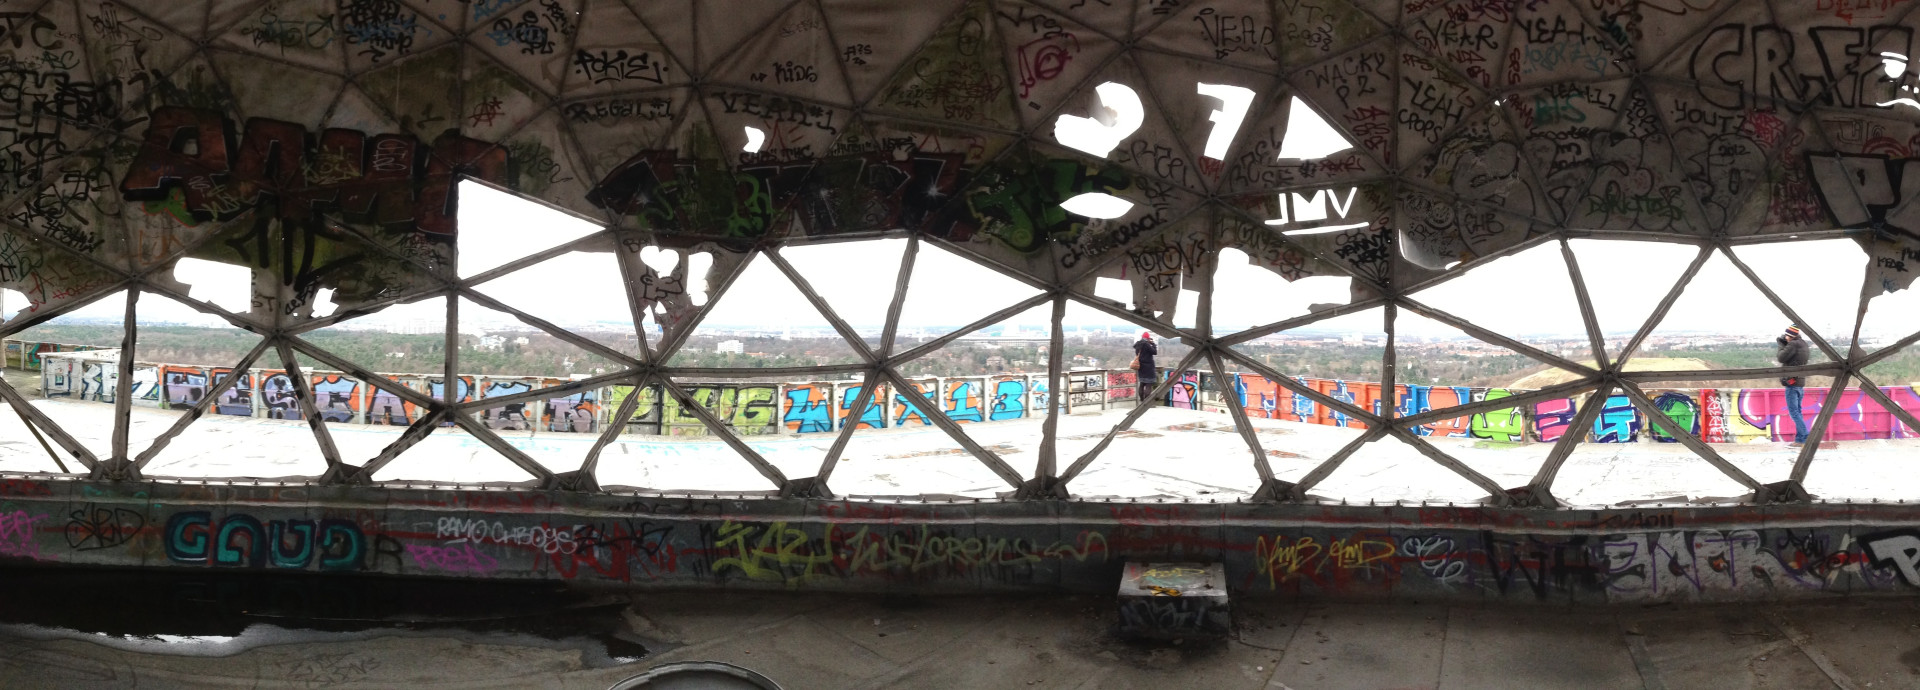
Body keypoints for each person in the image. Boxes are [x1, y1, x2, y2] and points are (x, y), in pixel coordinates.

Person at [1776, 325, 1810, 447]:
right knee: (1798, 412)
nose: (1785, 337)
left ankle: (1805, 437)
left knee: (1794, 413)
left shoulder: (1793, 345)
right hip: (1800, 382)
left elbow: (1781, 358)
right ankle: (1800, 440)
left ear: (1790, 335)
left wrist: (1781, 344)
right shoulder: (1803, 344)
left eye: (1786, 335)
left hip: (1792, 383)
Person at [1133, 331, 1157, 406]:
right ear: (1148, 338)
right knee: (1148, 385)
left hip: (1141, 366)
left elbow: (1137, 354)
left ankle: (1141, 400)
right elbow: (1154, 352)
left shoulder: (1138, 344)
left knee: (1142, 384)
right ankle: (1146, 402)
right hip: (1149, 367)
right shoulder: (1147, 344)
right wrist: (1153, 344)